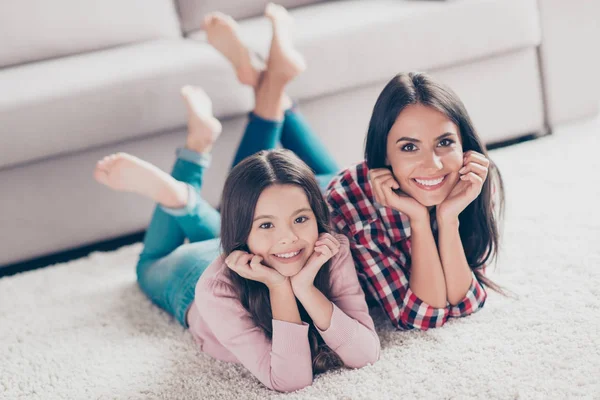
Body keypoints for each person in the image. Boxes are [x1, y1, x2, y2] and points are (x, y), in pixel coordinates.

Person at [93, 4, 379, 393]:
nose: (290, 237)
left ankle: (191, 177)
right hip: (200, 275)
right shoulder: (215, 290)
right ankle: (181, 186)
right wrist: (281, 287)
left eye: (301, 219)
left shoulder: (330, 249)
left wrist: (306, 287)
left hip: (241, 248)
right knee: (147, 266)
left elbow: (366, 353)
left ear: (317, 216)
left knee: (263, 214)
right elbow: (291, 380)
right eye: (268, 225)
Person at [325, 72, 505, 331]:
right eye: (409, 147)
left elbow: (466, 302)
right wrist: (419, 221)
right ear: (384, 153)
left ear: (463, 143)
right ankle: (280, 108)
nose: (433, 165)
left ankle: (285, 109)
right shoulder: (350, 208)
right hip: (321, 193)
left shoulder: (470, 178)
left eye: (444, 142)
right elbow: (421, 315)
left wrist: (448, 219)